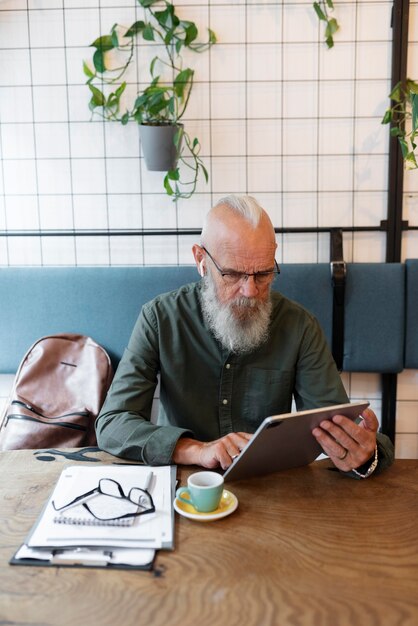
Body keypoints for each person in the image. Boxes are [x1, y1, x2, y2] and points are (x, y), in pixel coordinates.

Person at [96, 195, 394, 478]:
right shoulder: (160, 319)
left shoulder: (300, 326)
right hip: (183, 486)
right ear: (201, 260)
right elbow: (112, 424)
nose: (251, 291)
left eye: (263, 274)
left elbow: (338, 427)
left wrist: (366, 454)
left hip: (269, 486)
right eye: (234, 274)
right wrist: (196, 450)